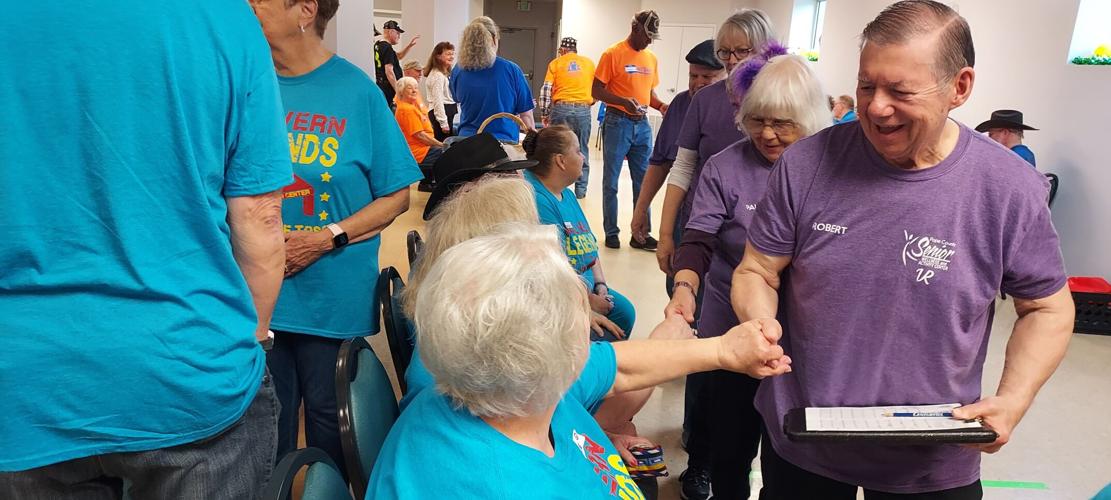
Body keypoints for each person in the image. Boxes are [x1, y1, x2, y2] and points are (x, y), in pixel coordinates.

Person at [732, 1, 1074, 497]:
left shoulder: (1009, 188)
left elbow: (1047, 306)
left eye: (900, 90)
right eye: (867, 85)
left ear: (960, 87)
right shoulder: (806, 164)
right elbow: (757, 269)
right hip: (806, 436)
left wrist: (1013, 399)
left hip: (934, 455)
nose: (875, 106)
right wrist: (761, 324)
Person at [0, 1, 289, 497]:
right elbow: (259, 218)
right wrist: (255, 335)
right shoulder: (223, 18)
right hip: (189, 364)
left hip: (26, 378)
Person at [366, 223, 793, 499]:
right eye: (580, 317)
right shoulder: (500, 482)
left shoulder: (503, 385)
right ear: (560, 350)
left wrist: (722, 351)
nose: (591, 328)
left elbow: (621, 365)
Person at [252, 0, 423, 478]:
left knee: (329, 424)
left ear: (304, 10)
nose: (247, 7)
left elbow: (396, 196)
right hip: (259, 297)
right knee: (269, 424)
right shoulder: (248, 87)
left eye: (259, 0)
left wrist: (327, 237)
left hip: (330, 297)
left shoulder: (356, 93)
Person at [668, 53, 830, 500]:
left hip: (802, 339)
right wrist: (684, 290)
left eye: (782, 123)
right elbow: (698, 238)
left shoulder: (829, 168)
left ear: (808, 118)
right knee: (730, 445)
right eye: (756, 120)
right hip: (733, 324)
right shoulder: (725, 165)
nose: (767, 134)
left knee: (789, 453)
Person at [652, 10, 778, 499]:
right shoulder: (704, 105)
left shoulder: (794, 111)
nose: (731, 61)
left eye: (741, 51)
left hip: (778, 284)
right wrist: (667, 232)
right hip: (718, 260)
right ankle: (701, 458)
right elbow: (682, 170)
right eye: (724, 52)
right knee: (712, 370)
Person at [522, 126, 636, 341]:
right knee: (611, 333)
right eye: (577, 151)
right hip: (559, 295)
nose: (583, 156)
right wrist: (586, 302)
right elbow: (551, 271)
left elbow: (590, 247)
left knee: (625, 314)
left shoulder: (566, 194)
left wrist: (600, 284)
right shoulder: (537, 199)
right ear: (561, 161)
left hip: (587, 286)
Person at [630, 39, 725, 258]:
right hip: (684, 212)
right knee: (676, 279)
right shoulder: (681, 105)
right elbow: (661, 162)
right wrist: (641, 209)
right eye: (693, 76)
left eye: (707, 77)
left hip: (722, 220)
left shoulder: (736, 110)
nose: (698, 83)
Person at [592, 10, 669, 249]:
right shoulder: (612, 54)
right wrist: (623, 101)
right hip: (618, 122)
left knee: (644, 182)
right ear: (635, 28)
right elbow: (596, 91)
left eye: (652, 38)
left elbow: (649, 94)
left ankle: (640, 235)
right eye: (647, 35)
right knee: (611, 182)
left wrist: (661, 105)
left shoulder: (651, 59)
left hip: (642, 125)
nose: (649, 41)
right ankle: (611, 232)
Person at [452, 16, 535, 143]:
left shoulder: (458, 70)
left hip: (467, 143)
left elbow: (457, 99)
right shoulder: (511, 70)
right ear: (494, 40)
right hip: (503, 145)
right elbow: (527, 117)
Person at [540, 37, 597, 199]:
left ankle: (556, 188)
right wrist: (591, 101)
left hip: (561, 109)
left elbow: (546, 89)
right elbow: (599, 87)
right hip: (583, 110)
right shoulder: (589, 63)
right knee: (582, 149)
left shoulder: (556, 63)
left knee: (557, 149)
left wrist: (545, 113)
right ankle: (581, 191)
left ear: (563, 50)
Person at [394, 76, 446, 189]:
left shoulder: (409, 106)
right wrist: (441, 145)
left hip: (422, 149)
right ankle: (439, 185)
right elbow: (420, 135)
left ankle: (426, 183)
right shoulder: (407, 110)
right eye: (409, 88)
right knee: (448, 154)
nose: (414, 91)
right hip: (419, 152)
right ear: (401, 91)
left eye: (416, 88)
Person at [375, 20, 420, 105]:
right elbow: (389, 72)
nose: (399, 36)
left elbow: (398, 56)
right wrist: (398, 91)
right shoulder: (387, 47)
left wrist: (409, 46)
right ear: (391, 31)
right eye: (397, 33)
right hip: (387, 88)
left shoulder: (379, 45)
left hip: (380, 85)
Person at [423, 41, 458, 141]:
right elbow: (437, 100)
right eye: (448, 54)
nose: (451, 57)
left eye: (452, 54)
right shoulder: (437, 75)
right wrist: (443, 123)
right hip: (441, 113)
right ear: (438, 56)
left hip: (448, 111)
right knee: (444, 145)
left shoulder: (445, 74)